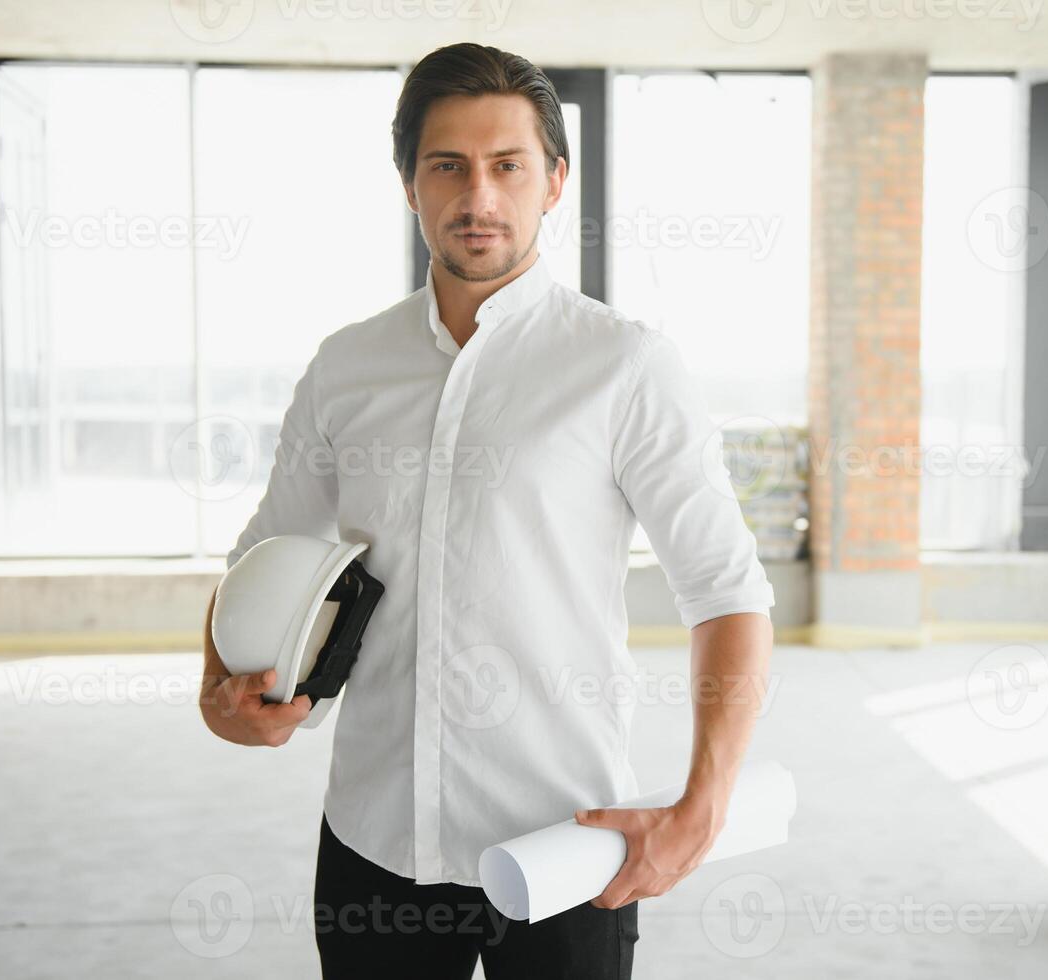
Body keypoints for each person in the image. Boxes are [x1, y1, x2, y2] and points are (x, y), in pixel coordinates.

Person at [199, 41, 776, 979]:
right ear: (408, 183)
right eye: (448, 166)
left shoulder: (624, 366)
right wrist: (215, 686)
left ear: (553, 181)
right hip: (373, 839)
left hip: (565, 845)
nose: (479, 197)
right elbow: (267, 553)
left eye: (507, 166)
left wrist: (700, 807)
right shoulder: (346, 366)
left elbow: (725, 591)